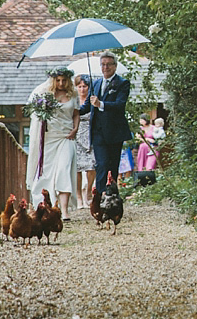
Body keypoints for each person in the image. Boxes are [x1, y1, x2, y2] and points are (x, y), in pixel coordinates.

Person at [25, 66, 80, 218]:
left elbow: (76, 114)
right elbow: (35, 113)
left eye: (64, 80)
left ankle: (64, 210)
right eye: (58, 80)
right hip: (49, 137)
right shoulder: (45, 94)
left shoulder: (73, 93)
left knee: (64, 169)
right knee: (46, 172)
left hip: (66, 136)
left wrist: (75, 129)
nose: (61, 83)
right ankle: (43, 205)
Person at [79, 51, 132, 195]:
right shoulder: (95, 83)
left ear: (115, 66)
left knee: (112, 165)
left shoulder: (122, 83)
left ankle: (112, 195)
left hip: (115, 132)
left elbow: (120, 105)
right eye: (103, 64)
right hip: (97, 132)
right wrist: (72, 111)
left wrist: (101, 104)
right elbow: (86, 107)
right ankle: (100, 197)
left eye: (108, 64)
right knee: (101, 164)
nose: (105, 67)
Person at [73, 73, 97, 209]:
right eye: (80, 86)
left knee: (91, 166)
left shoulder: (91, 100)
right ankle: (78, 197)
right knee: (77, 168)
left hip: (90, 135)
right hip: (76, 135)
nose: (82, 89)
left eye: (85, 86)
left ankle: (88, 192)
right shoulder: (74, 100)